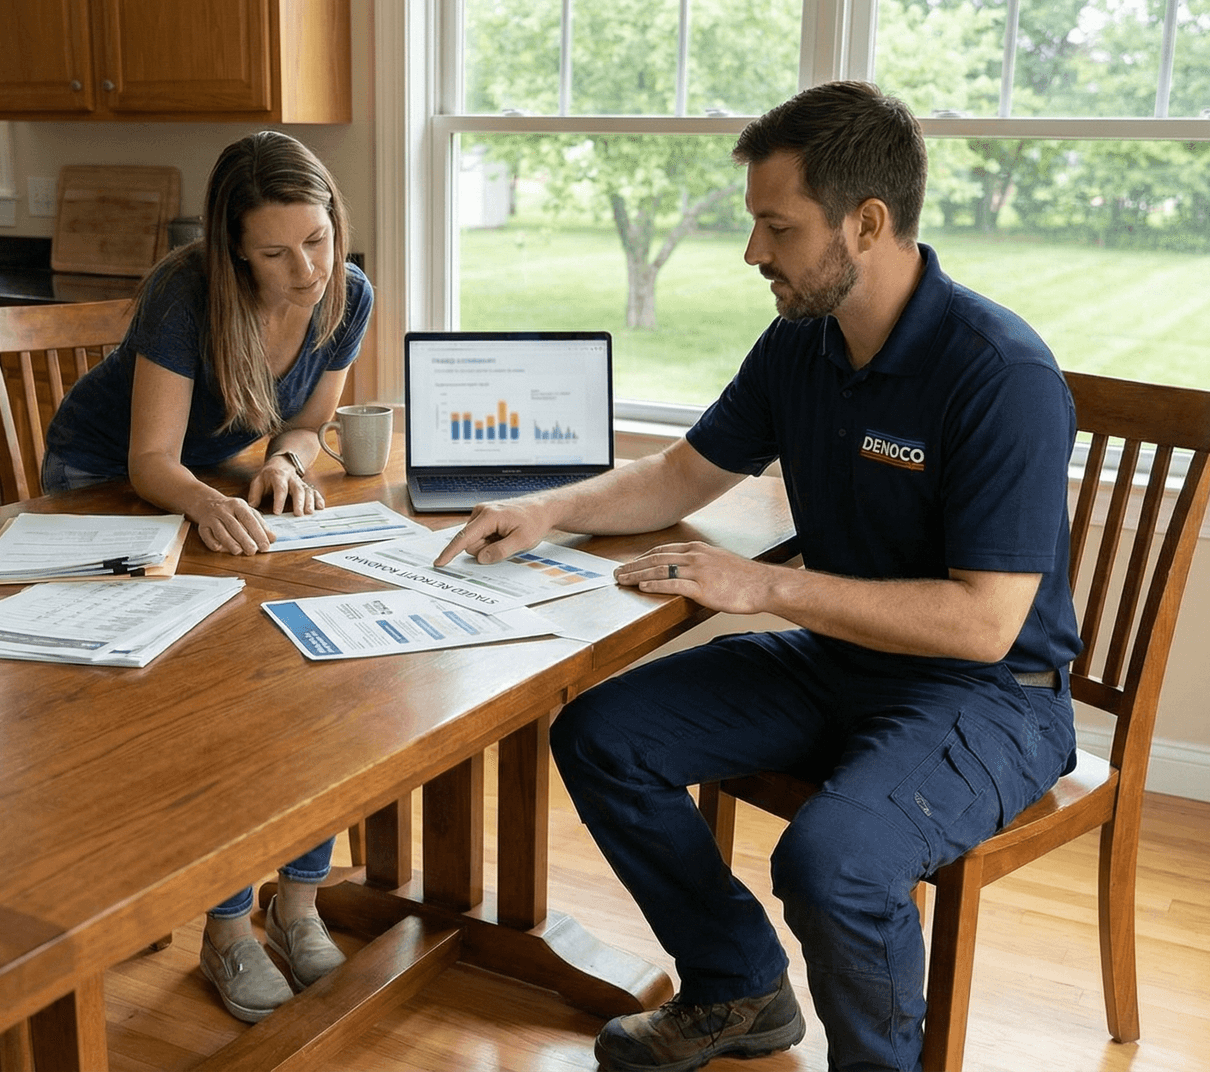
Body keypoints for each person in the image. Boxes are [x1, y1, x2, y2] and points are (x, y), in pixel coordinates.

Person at [435, 82, 1082, 1072]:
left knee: (830, 863)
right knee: (602, 733)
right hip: (843, 662)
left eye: (776, 227)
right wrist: (549, 508)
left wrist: (765, 587)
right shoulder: (800, 345)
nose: (753, 254)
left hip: (990, 697)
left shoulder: (999, 373)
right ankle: (738, 985)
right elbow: (680, 475)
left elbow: (985, 622)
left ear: (866, 224)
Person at [43, 130, 373, 1023]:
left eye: (317, 238)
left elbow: (309, 419)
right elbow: (151, 460)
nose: (306, 269)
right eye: (275, 252)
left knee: (311, 684)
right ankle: (224, 927)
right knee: (194, 703)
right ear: (233, 251)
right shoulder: (183, 291)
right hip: (105, 480)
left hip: (212, 475)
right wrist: (201, 501)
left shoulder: (348, 292)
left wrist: (289, 464)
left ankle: (296, 900)